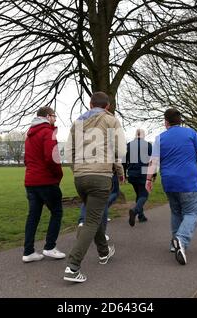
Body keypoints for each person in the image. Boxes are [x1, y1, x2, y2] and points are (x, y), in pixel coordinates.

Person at [63, 92, 126, 283]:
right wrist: (120, 170)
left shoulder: (77, 122)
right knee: (91, 221)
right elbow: (120, 150)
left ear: (91, 104)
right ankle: (73, 267)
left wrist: (78, 170)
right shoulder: (111, 120)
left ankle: (104, 252)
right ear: (107, 106)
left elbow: (68, 152)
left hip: (80, 177)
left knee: (93, 214)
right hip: (100, 176)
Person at [146, 108, 197, 266]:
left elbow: (153, 161)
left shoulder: (160, 138)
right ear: (180, 120)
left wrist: (148, 180)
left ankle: (174, 245)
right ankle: (181, 239)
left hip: (169, 182)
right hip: (187, 182)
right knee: (192, 213)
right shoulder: (191, 134)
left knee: (176, 212)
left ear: (166, 122)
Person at [22, 107, 66, 263]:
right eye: (54, 116)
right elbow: (52, 157)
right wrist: (58, 174)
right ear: (48, 116)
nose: (55, 119)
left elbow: (27, 159)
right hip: (46, 180)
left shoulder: (30, 134)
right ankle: (49, 247)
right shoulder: (48, 132)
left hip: (31, 181)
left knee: (33, 216)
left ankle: (28, 251)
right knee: (57, 212)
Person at [77, 167, 122, 241]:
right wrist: (121, 174)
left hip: (86, 174)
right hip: (103, 175)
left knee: (87, 199)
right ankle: (101, 233)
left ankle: (82, 222)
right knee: (103, 201)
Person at [125, 129, 153, 226]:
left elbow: (124, 161)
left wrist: (124, 174)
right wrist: (153, 174)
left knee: (139, 194)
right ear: (143, 135)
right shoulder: (148, 145)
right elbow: (152, 160)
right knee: (144, 195)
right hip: (143, 173)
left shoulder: (128, 145)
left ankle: (141, 216)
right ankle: (135, 210)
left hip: (132, 173)